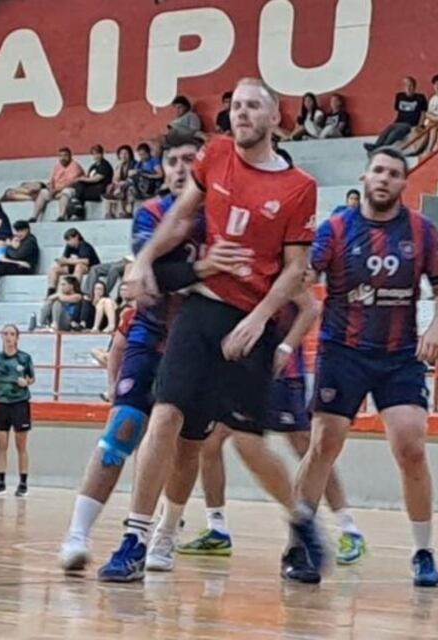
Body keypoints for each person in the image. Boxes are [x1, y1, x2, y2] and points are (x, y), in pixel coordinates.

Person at [96, 79, 319, 584]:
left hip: (252, 320)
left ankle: (302, 522)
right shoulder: (216, 154)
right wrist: (145, 260)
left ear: (275, 118)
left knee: (246, 440)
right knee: (167, 417)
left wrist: (261, 320)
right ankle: (135, 537)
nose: (241, 113)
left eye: (253, 106)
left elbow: (294, 269)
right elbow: (180, 217)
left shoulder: (298, 186)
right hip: (201, 312)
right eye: (236, 105)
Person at [58, 133, 247, 573]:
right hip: (152, 336)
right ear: (162, 169)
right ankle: (77, 534)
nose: (182, 168)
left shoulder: (224, 218)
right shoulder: (152, 214)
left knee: (187, 449)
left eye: (190, 160)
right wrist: (203, 269)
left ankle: (166, 531)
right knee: (122, 429)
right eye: (174, 161)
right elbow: (153, 275)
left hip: (202, 348)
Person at [289, 146, 438, 585]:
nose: (384, 178)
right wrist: (296, 297)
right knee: (324, 442)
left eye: (394, 173)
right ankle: (300, 543)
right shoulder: (336, 229)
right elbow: (302, 276)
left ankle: (423, 552)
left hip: (399, 355)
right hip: (341, 352)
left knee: (411, 444)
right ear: (365, 177)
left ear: (404, 182)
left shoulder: (421, 232)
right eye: (378, 171)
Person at [150, 293, 368, 571]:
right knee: (210, 441)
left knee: (302, 445)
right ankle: (215, 526)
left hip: (277, 367)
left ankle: (341, 525)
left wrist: (285, 348)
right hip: (226, 357)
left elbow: (309, 307)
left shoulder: (280, 267)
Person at [0, 324, 36, 497]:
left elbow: (32, 378)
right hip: (2, 404)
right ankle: (1, 482)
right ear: (1, 337)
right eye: (5, 334)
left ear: (17, 337)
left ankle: (23, 483)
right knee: (1, 445)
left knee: (21, 446)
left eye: (12, 334)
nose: (9, 337)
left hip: (20, 404)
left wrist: (26, 383)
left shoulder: (25, 358)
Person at [0, 220, 40, 302]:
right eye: (17, 231)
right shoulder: (16, 238)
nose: (18, 234)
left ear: (27, 230)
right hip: (14, 263)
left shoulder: (30, 241)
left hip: (24, 267)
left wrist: (8, 246)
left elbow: (17, 255)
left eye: (21, 231)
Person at [365, 76, 428, 153]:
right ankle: (376, 145)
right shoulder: (399, 96)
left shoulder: (420, 98)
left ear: (414, 87)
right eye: (406, 86)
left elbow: (423, 112)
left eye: (410, 85)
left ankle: (382, 147)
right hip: (399, 121)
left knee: (397, 131)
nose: (408, 88)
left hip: (410, 124)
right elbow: (397, 110)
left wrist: (420, 125)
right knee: (388, 129)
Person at [29, 147, 85, 222]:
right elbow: (51, 180)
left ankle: (61, 216)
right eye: (61, 156)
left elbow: (70, 182)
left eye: (65, 155)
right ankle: (34, 217)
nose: (63, 158)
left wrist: (55, 190)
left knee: (66, 192)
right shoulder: (57, 166)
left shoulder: (75, 166)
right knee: (43, 192)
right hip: (56, 191)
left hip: (71, 190)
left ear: (70, 156)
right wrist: (51, 189)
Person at [60, 144, 114, 221]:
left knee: (79, 186)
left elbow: (96, 179)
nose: (96, 156)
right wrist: (81, 180)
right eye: (94, 154)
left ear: (102, 154)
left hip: (100, 190)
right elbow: (88, 178)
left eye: (98, 153)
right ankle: (75, 212)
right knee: (78, 189)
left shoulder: (104, 165)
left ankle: (76, 210)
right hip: (91, 189)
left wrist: (80, 179)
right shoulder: (93, 166)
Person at [47, 228, 101, 296]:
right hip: (74, 266)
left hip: (90, 267)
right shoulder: (69, 246)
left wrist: (68, 261)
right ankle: (51, 291)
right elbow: (65, 258)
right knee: (54, 268)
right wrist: (61, 261)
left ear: (76, 237)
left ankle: (75, 289)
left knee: (79, 266)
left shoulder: (84, 245)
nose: (68, 242)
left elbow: (86, 261)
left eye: (69, 239)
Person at [104, 145, 136, 218]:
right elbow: (115, 178)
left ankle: (126, 212)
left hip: (130, 184)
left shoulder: (134, 164)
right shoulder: (119, 165)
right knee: (110, 187)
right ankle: (110, 212)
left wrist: (121, 184)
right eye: (121, 154)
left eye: (126, 153)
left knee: (124, 189)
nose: (123, 156)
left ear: (130, 154)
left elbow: (131, 178)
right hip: (120, 184)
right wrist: (120, 165)